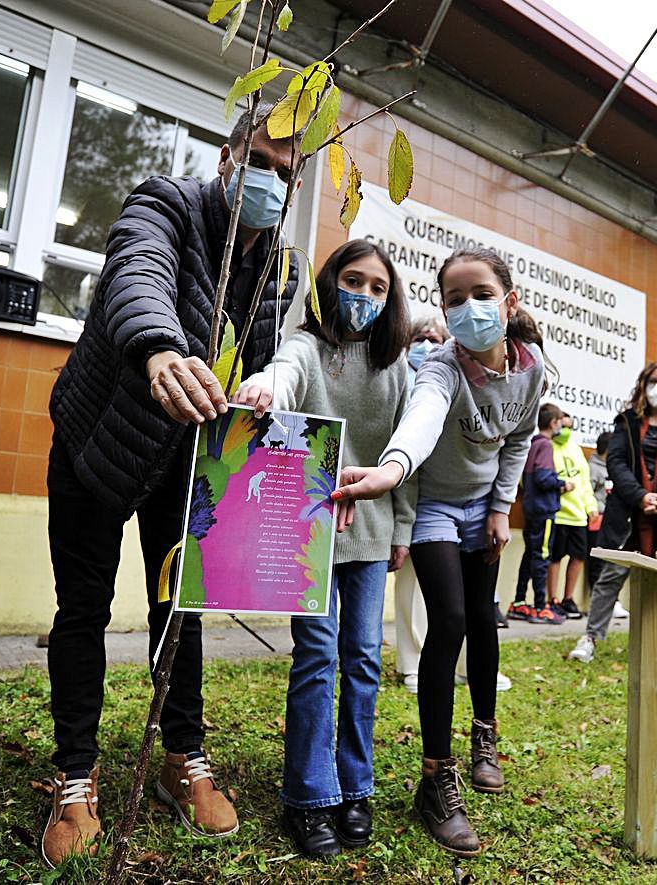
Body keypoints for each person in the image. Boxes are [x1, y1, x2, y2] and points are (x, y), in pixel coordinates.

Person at [39, 103, 298, 866]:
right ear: (228, 154)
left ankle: (183, 758)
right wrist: (158, 349)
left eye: (287, 173)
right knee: (82, 606)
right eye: (261, 161)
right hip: (99, 441)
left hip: (187, 459)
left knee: (175, 605)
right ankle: (75, 776)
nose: (271, 181)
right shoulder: (168, 200)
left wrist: (265, 383)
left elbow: (272, 346)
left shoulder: (277, 263)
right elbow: (137, 270)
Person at [331, 247, 545, 856]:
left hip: (484, 509)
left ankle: (484, 735)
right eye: (454, 300)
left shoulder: (531, 370)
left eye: (480, 294)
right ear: (444, 313)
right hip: (433, 507)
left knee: (483, 619)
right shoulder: (441, 368)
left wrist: (502, 508)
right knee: (447, 622)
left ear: (509, 301)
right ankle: (435, 777)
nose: (468, 308)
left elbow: (519, 438)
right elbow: (423, 418)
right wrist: (391, 470)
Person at [233, 239, 413, 856]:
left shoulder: (399, 368)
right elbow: (284, 375)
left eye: (378, 288)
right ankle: (309, 795)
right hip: (309, 532)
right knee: (316, 658)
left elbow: (407, 453)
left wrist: (404, 532)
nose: (363, 294)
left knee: (363, 659)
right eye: (353, 280)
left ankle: (355, 787)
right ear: (329, 281)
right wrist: (263, 386)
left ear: (391, 302)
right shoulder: (306, 347)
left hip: (372, 532)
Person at [567, 361, 657, 668]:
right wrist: (641, 497)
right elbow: (616, 463)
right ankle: (591, 638)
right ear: (643, 384)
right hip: (628, 513)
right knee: (610, 576)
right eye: (653, 380)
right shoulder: (626, 422)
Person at [394, 316, 448, 693]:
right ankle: (410, 663)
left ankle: (459, 662)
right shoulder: (399, 379)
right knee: (410, 585)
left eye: (434, 339)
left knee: (452, 593)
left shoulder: (451, 377)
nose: (427, 345)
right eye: (420, 338)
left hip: (445, 496)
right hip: (406, 491)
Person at [510, 403, 566, 624]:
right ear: (553, 423)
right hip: (544, 512)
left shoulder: (532, 444)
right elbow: (543, 478)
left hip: (531, 509)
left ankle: (519, 602)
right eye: (560, 421)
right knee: (542, 557)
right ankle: (541, 606)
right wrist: (562, 483)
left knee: (530, 555)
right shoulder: (546, 446)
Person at [549, 412, 599, 619]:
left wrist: (591, 506)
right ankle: (553, 599)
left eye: (571, 427)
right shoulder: (547, 447)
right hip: (558, 514)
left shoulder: (576, 449)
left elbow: (585, 482)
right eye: (563, 426)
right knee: (555, 558)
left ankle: (568, 598)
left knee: (578, 557)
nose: (566, 431)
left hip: (578, 515)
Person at [585, 430, 613, 593]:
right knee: (597, 560)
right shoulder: (593, 468)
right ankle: (597, 594)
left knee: (610, 559)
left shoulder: (614, 467)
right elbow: (589, 493)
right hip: (596, 519)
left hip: (610, 520)